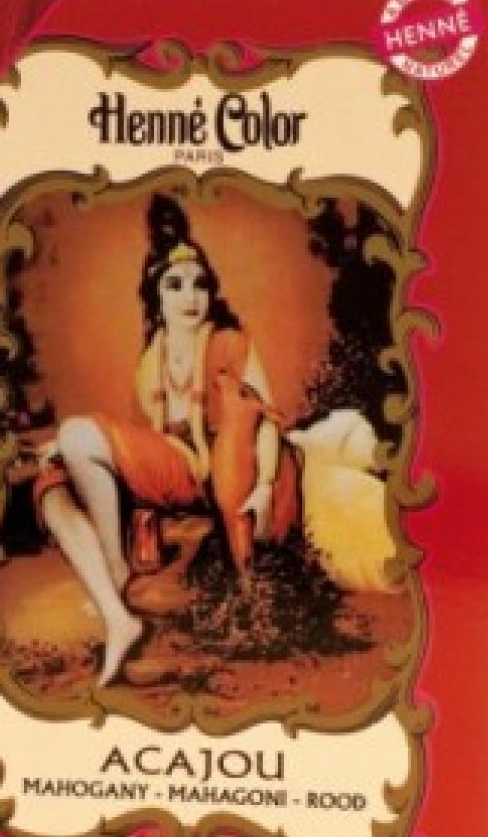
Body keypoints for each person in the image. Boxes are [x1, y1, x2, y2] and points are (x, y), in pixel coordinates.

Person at [34, 195, 298, 686]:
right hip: (171, 471)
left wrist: (263, 486)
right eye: (174, 285)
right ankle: (118, 616)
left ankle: (115, 573)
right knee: (51, 482)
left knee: (74, 434)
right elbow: (145, 441)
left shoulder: (230, 343)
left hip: (220, 473)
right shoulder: (149, 362)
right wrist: (72, 453)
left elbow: (266, 421)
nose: (189, 296)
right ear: (155, 297)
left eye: (200, 284)